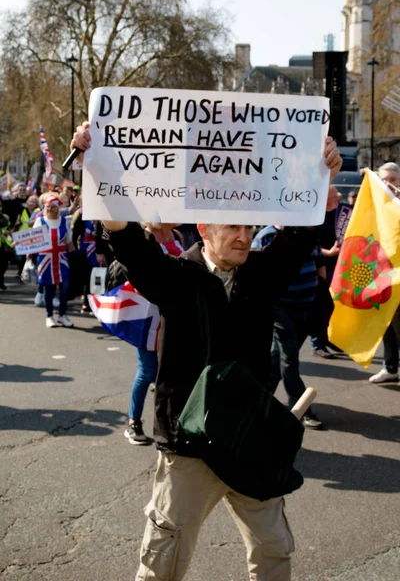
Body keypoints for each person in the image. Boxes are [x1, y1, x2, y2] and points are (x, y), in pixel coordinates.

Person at [71, 122, 342, 581]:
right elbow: (128, 240)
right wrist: (95, 163)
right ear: (203, 227)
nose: (244, 236)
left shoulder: (261, 274)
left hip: (251, 441)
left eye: (249, 226)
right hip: (188, 445)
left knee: (274, 552)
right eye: (232, 226)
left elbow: (299, 237)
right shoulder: (176, 277)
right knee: (163, 559)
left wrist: (322, 172)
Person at [252, 226, 326, 429]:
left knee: (278, 359)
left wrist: (321, 289)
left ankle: (259, 403)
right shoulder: (265, 236)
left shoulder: (306, 234)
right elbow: (256, 270)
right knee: (289, 359)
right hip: (280, 309)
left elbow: (319, 263)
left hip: (306, 307)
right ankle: (302, 409)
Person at [123, 223, 184, 445]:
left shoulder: (176, 235)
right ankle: (133, 422)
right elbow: (138, 280)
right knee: (147, 370)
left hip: (176, 316)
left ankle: (171, 424)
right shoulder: (144, 237)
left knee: (173, 372)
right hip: (149, 317)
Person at [369, 162, 400, 383]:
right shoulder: (375, 204)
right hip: (383, 276)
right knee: (386, 325)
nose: (388, 183)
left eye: (393, 179)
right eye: (384, 179)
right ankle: (390, 368)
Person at [33, 196, 75, 328]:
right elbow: (31, 239)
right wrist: (19, 245)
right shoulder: (40, 221)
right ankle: (49, 316)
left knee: (64, 289)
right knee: (48, 289)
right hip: (45, 260)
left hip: (61, 260)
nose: (49, 209)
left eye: (52, 207)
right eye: (47, 207)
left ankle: (62, 315)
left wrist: (76, 256)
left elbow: (69, 241)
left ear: (58, 209)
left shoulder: (64, 221)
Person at [0, 198, 12, 290]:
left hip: (4, 245)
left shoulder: (5, 217)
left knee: (4, 265)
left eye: (0, 206)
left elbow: (8, 228)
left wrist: (8, 233)